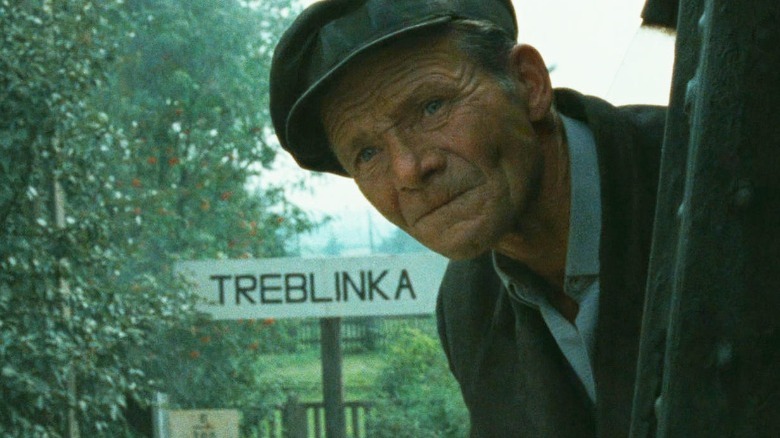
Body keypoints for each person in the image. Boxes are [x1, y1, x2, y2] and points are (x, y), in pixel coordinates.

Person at [270, 0, 666, 436]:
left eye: (432, 107)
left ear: (528, 84)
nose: (408, 169)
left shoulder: (704, 181)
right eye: (366, 153)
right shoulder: (467, 303)